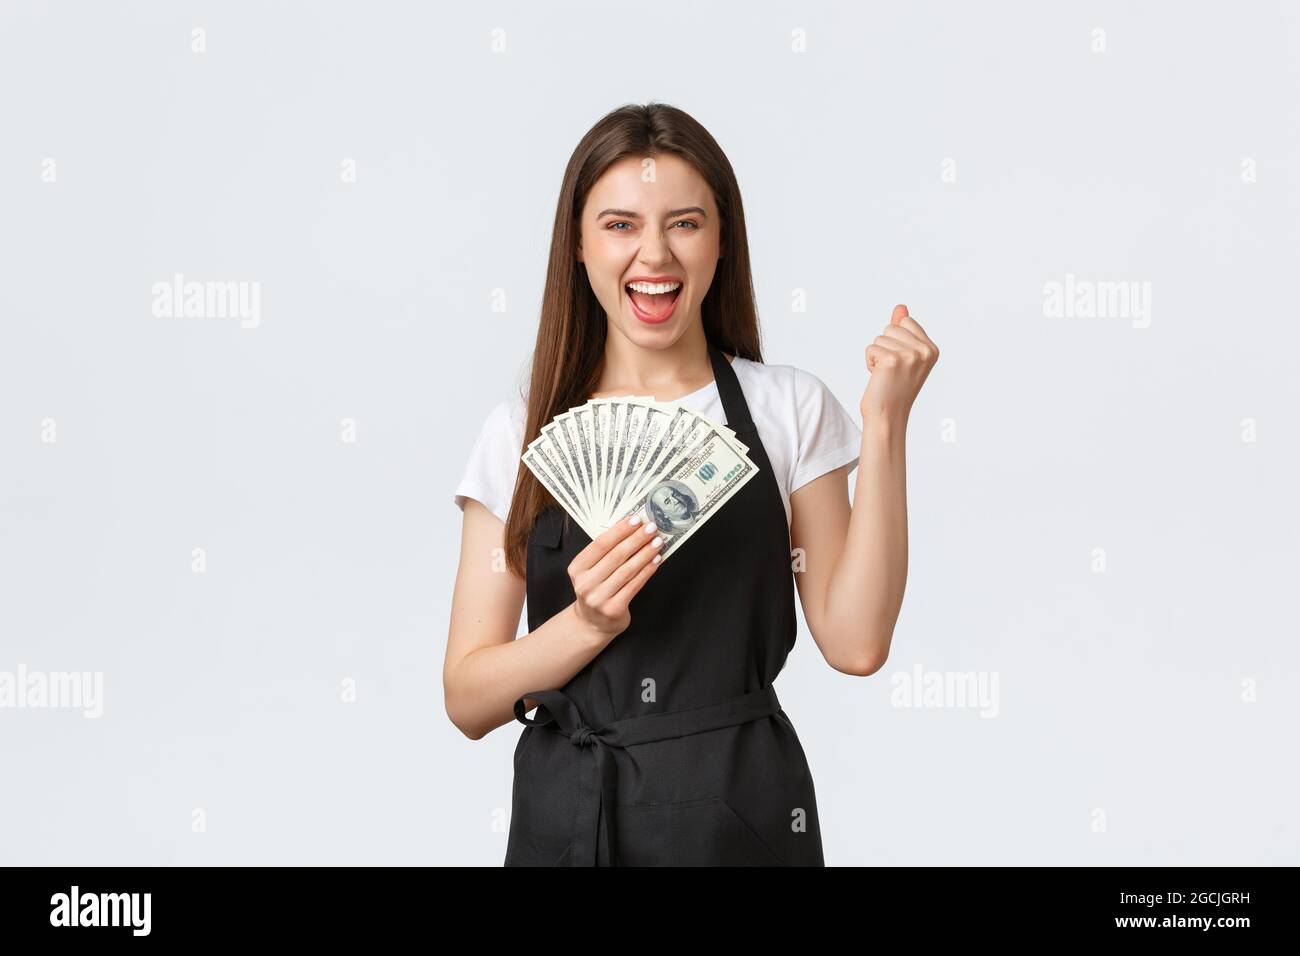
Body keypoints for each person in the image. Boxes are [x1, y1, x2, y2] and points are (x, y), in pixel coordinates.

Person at [446, 102, 939, 866]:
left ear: (721, 242)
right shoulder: (521, 432)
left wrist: (884, 428)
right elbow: (467, 698)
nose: (654, 255)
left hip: (738, 814)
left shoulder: (788, 408)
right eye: (618, 225)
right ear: (576, 246)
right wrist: (584, 626)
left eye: (684, 223)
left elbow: (857, 642)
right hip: (566, 820)